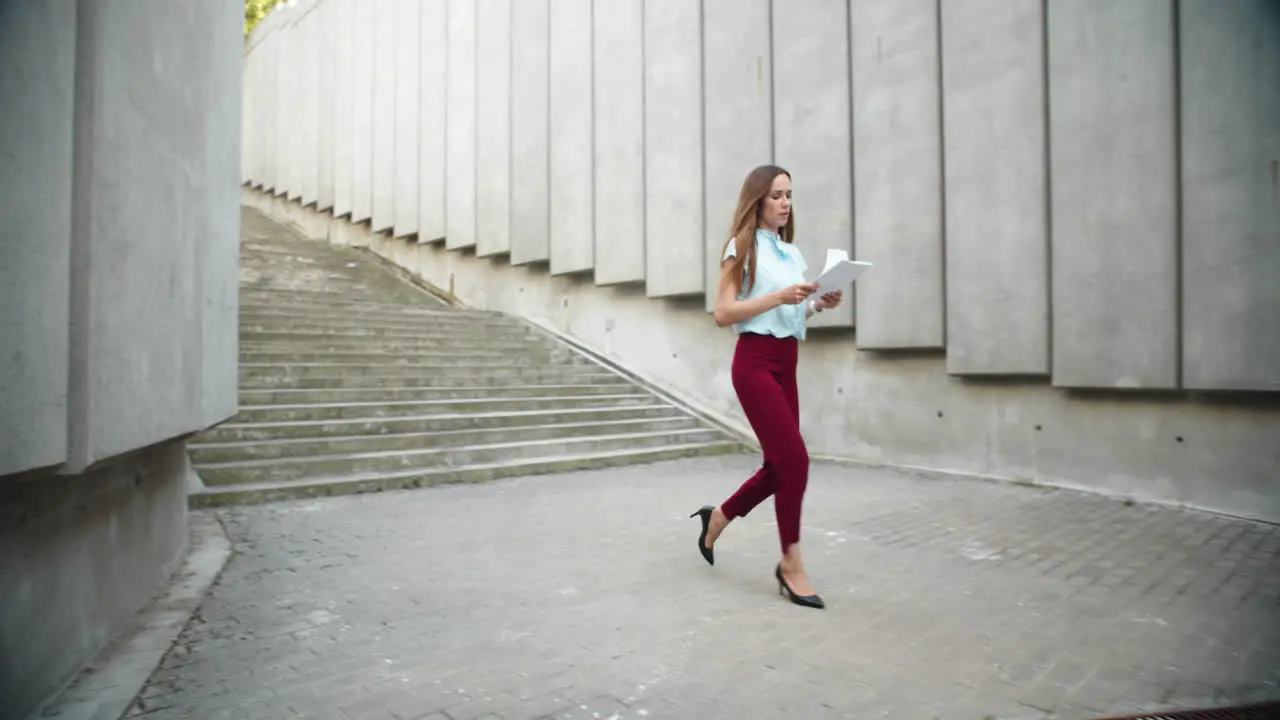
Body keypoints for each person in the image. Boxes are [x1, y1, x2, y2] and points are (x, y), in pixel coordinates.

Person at [690, 164, 842, 610]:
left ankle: (717, 517)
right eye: (776, 195)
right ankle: (791, 564)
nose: (785, 203)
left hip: (786, 361)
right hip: (754, 362)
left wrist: (817, 304)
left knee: (782, 466)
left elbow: (791, 316)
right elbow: (723, 313)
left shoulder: (790, 253)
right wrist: (779, 297)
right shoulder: (741, 246)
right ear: (757, 199)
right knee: (795, 459)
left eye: (789, 195)